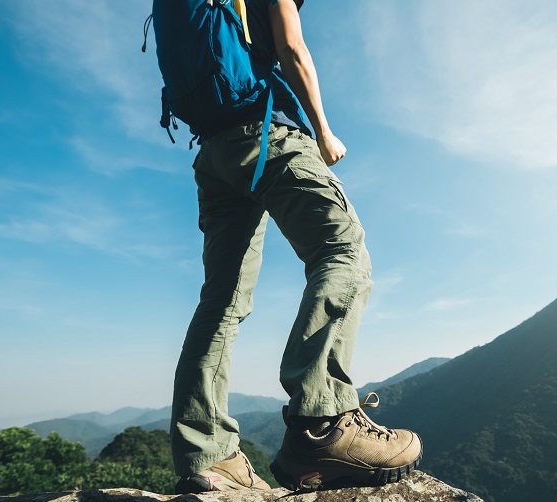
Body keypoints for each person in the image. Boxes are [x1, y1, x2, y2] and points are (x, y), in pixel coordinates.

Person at [165, 0, 423, 493]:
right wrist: (324, 131)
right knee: (343, 250)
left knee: (221, 301)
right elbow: (292, 49)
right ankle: (322, 423)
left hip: (213, 154)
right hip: (266, 132)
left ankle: (206, 454)